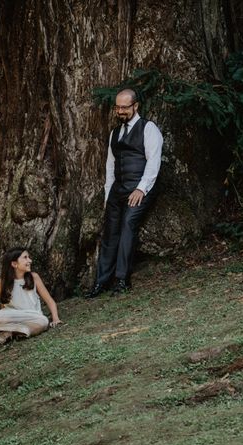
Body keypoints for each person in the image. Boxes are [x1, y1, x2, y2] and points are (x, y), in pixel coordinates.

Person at [85, 88, 163, 297]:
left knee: (128, 225)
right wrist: (107, 195)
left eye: (124, 107)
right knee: (110, 232)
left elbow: (154, 161)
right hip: (118, 189)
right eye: (117, 107)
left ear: (135, 106)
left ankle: (122, 279)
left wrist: (141, 188)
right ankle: (101, 282)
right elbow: (111, 166)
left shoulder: (148, 128)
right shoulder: (114, 133)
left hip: (140, 187)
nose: (120, 111)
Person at [0, 248, 61, 347]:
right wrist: (3, 319)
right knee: (3, 316)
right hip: (12, 315)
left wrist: (55, 318)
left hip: (32, 316)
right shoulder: (1, 283)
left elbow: (50, 301)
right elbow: (4, 306)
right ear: (14, 264)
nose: (30, 260)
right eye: (25, 258)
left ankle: (8, 333)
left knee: (44, 322)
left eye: (29, 257)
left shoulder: (34, 277)